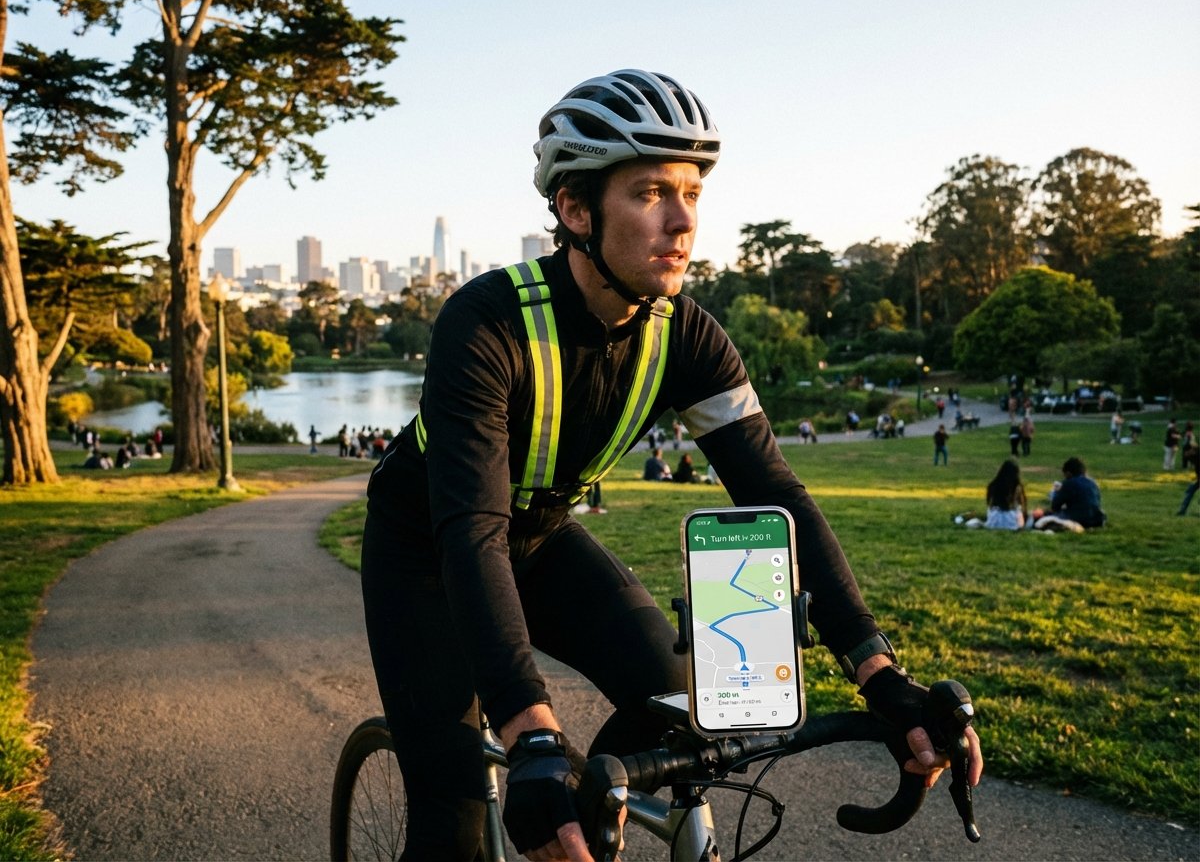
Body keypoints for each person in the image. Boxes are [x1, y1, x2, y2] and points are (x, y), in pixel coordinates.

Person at [358, 68, 980, 860]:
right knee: (451, 812)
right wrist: (530, 730)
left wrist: (882, 677)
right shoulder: (486, 325)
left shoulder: (688, 338)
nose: (682, 221)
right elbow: (472, 531)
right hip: (428, 549)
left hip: (541, 537)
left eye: (692, 193)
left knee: (676, 705)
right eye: (651, 192)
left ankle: (580, 807)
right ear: (575, 208)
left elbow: (775, 496)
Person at [1047, 457, 1106, 528]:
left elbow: (1055, 506)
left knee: (1050, 515)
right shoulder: (1092, 483)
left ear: (1068, 473)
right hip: (1096, 519)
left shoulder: (1068, 483)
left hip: (1078, 518)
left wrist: (1056, 492)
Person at [983, 459, 1028, 530]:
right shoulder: (1016, 487)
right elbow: (1022, 506)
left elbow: (989, 503)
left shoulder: (993, 485)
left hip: (994, 519)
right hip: (1011, 521)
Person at [1178, 438, 1199, 516]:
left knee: (1190, 491)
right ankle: (1182, 510)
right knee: (1189, 491)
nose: (1185, 454)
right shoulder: (1193, 456)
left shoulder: (1197, 454)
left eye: (1187, 452)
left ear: (1192, 450)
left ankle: (1182, 510)